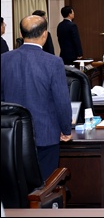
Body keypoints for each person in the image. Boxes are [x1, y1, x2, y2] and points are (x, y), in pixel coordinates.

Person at [1, 15, 72, 180]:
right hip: (45, 136)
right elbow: (61, 101)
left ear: (21, 33)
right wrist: (66, 129)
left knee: (17, 185)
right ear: (45, 34)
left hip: (11, 137)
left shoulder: (4, 60)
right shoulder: (53, 62)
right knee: (44, 186)